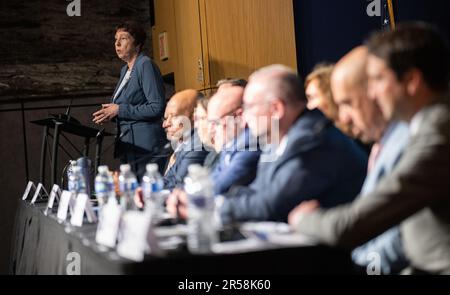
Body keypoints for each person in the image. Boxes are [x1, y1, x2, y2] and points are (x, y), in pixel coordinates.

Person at [289, 23, 450, 274]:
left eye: (377, 80)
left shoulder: (438, 131)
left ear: (411, 80)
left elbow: (351, 227)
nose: (372, 93)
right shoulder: (428, 125)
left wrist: (302, 218)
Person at [167, 65, 368, 223]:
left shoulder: (312, 140)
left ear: (276, 109)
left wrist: (203, 205)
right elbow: (256, 190)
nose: (244, 116)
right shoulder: (277, 139)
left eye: (250, 107)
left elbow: (269, 204)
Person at [330, 46, 410, 274]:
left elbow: (405, 236)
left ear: (376, 91)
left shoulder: (410, 140)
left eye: (348, 103)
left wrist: (362, 263)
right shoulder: (384, 143)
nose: (343, 117)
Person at [92, 21, 167, 179]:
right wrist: (110, 114)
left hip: (145, 145)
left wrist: (119, 109)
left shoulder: (145, 65)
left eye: (124, 38)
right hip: (129, 143)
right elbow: (128, 106)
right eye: (115, 39)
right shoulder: (124, 70)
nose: (117, 43)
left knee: (145, 196)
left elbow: (157, 107)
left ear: (137, 44)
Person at [162, 89, 209, 190]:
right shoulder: (181, 145)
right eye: (166, 118)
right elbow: (167, 180)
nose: (165, 124)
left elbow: (176, 187)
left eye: (174, 116)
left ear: (195, 116)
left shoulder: (198, 146)